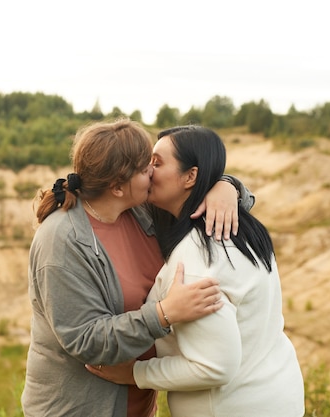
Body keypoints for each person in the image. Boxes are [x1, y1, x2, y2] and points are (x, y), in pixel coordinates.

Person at [21, 118, 254, 417]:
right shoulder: (62, 240)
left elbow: (208, 201)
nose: (154, 174)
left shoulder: (142, 211)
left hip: (139, 406)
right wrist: (164, 314)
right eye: (147, 168)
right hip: (78, 409)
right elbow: (86, 341)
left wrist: (226, 186)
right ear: (118, 186)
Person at [86, 125, 304, 417]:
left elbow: (214, 366)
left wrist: (136, 374)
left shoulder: (198, 261)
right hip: (278, 394)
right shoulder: (240, 229)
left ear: (190, 176)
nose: (148, 170)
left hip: (231, 408)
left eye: (158, 163)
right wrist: (227, 184)